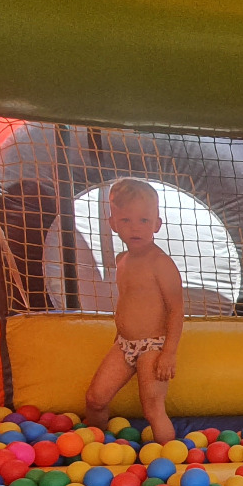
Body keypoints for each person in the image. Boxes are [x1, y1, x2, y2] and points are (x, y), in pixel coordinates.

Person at [82, 179, 183, 440]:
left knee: (153, 408)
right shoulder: (122, 260)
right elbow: (128, 302)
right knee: (95, 399)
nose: (134, 228)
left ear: (157, 225)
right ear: (113, 223)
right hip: (125, 344)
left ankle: (171, 463)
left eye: (143, 221)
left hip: (154, 346)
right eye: (126, 220)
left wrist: (169, 354)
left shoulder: (160, 263)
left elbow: (176, 310)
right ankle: (97, 445)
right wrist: (119, 335)